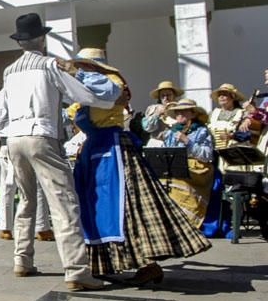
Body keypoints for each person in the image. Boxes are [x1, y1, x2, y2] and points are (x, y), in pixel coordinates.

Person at [65, 49, 211, 286]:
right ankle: (100, 263)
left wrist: (77, 74)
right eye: (81, 65)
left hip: (114, 150)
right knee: (93, 207)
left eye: (87, 65)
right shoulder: (85, 89)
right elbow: (71, 112)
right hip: (92, 150)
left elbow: (111, 93)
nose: (83, 69)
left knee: (126, 207)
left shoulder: (112, 82)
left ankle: (146, 262)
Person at [2, 13, 117, 291]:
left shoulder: (9, 70)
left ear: (20, 41)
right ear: (41, 38)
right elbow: (86, 94)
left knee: (27, 200)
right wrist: (98, 84)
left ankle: (22, 259)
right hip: (40, 134)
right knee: (63, 202)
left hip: (14, 138)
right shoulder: (49, 64)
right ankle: (76, 270)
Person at [0, 90, 53, 241]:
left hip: (5, 143)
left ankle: (5, 227)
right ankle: (41, 228)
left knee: (7, 186)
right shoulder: (26, 93)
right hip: (26, 140)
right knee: (36, 183)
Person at [162, 98, 216, 227]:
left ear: (193, 114)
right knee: (160, 181)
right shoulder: (171, 132)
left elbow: (207, 155)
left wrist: (188, 142)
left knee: (178, 181)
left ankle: (186, 222)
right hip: (175, 167)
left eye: (184, 112)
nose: (180, 114)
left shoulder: (202, 131)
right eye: (177, 112)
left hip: (198, 169)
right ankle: (169, 221)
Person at [208, 83, 249, 152]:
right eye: (219, 95)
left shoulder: (242, 113)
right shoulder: (212, 114)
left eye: (225, 95)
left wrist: (231, 136)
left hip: (234, 151)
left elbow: (246, 135)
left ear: (232, 97)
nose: (221, 97)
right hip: (215, 152)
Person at [141, 80, 183, 147]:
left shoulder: (181, 109)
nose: (165, 98)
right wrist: (157, 114)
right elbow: (147, 128)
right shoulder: (153, 108)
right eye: (162, 95)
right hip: (157, 143)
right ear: (159, 97)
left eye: (168, 95)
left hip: (176, 144)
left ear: (174, 95)